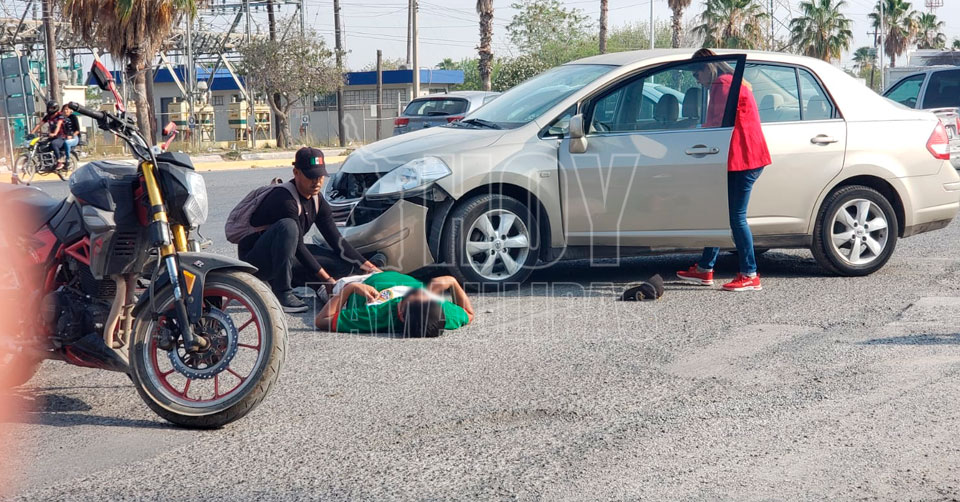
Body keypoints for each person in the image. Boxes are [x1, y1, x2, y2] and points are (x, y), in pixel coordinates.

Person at [238, 147, 382, 313]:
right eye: (311, 177)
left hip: (287, 254)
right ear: (296, 172)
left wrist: (369, 266)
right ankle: (282, 292)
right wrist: (327, 279)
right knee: (288, 227)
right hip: (257, 261)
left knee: (342, 265)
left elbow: (336, 240)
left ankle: (311, 284)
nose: (317, 182)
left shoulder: (316, 200)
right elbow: (299, 248)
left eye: (320, 176)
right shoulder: (283, 199)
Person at [676, 48, 771, 292]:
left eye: (696, 74)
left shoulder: (722, 84)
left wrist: (689, 133)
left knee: (736, 217)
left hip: (742, 159)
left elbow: (716, 124)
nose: (697, 80)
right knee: (719, 213)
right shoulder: (732, 82)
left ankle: (750, 274)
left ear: (707, 68)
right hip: (745, 157)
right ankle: (705, 268)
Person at [314, 271, 474, 337]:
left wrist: (350, 289)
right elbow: (468, 313)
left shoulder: (376, 315)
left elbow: (322, 320)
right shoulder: (444, 314)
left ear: (401, 315)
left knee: (329, 279)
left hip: (359, 284)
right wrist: (452, 283)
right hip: (385, 273)